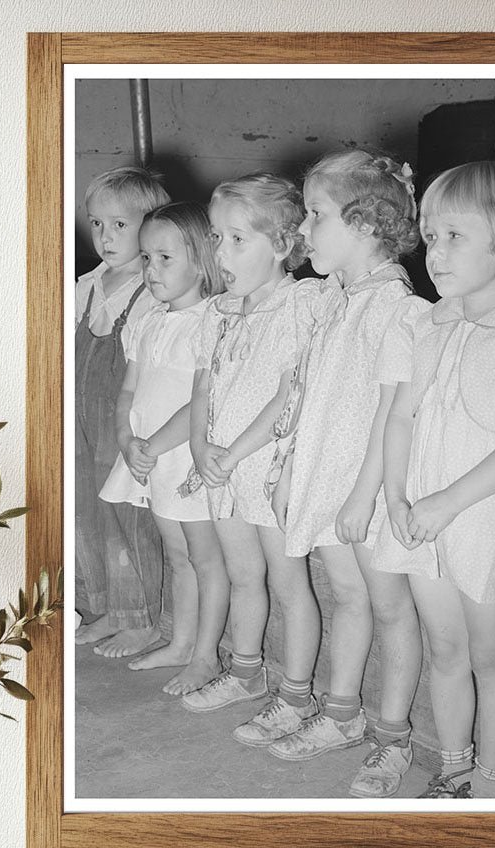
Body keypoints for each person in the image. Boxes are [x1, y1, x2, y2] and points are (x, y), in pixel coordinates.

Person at [372, 160, 495, 799]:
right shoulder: (431, 325)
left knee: (492, 657)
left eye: (454, 235)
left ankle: (491, 781)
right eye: (430, 236)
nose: (435, 252)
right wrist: (398, 495)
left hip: (486, 522)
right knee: (445, 650)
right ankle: (453, 765)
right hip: (419, 519)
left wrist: (444, 503)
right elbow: (400, 416)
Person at [263, 151, 430, 797]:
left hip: (366, 489)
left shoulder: (394, 305)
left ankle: (393, 741)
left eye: (315, 215)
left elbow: (392, 410)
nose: (304, 230)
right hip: (324, 479)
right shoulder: (336, 300)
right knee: (349, 599)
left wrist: (364, 495)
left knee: (390, 609)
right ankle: (340, 715)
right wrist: (285, 471)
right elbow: (306, 393)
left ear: (365, 223)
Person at [179, 174, 323, 748]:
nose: (221, 253)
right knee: (243, 577)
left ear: (284, 244)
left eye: (238, 240)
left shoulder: (300, 305)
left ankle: (297, 695)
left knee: (289, 584)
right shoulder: (217, 312)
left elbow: (289, 394)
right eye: (217, 238)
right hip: (221, 469)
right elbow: (202, 388)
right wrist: (198, 446)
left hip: (265, 467)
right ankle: (244, 672)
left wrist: (234, 453)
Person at [98, 202, 231, 695]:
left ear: (200, 261)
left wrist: (151, 444)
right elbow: (129, 388)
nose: (151, 270)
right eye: (147, 258)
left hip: (183, 456)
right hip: (149, 456)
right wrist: (125, 438)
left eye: (164, 259)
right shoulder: (149, 319)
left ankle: (205, 655)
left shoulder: (212, 322)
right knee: (178, 555)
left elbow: (203, 401)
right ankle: (180, 643)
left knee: (205, 558)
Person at [74, 165, 171, 658]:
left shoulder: (153, 290)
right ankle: (108, 604)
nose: (105, 237)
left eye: (119, 225)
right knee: (87, 510)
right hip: (82, 419)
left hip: (124, 418)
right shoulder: (87, 285)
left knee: (126, 515)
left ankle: (142, 618)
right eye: (96, 224)